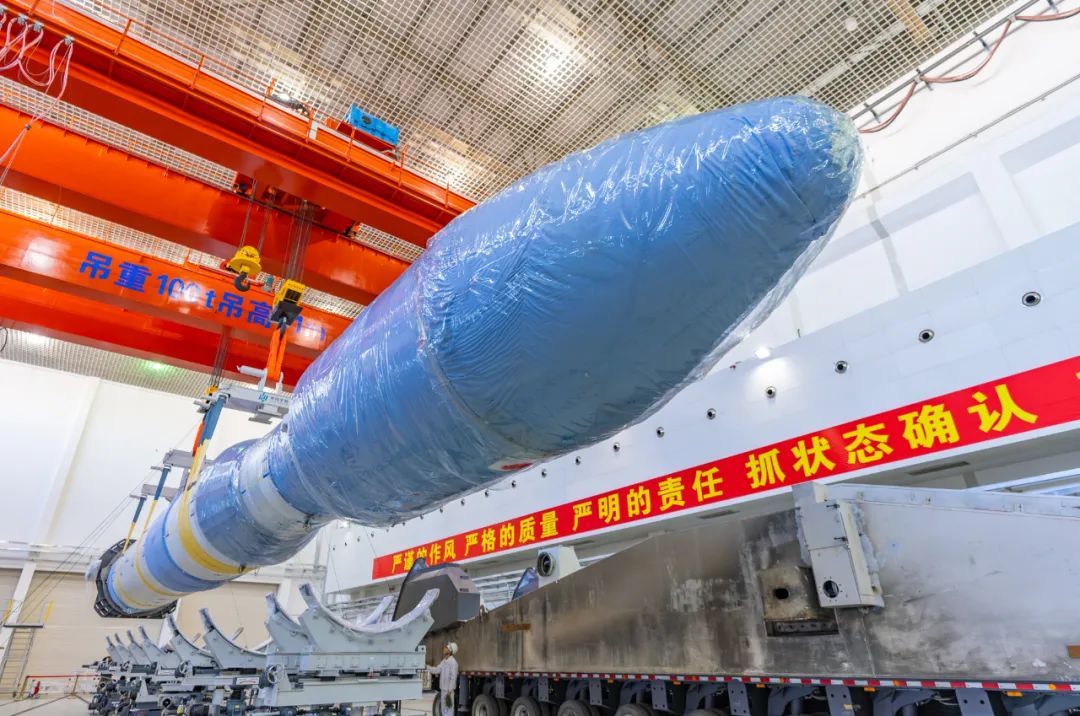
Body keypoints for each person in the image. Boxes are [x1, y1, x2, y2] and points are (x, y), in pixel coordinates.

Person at [429, 642, 459, 716]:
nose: (444, 648)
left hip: (449, 692)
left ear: (450, 651)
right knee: (444, 711)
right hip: (443, 690)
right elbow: (437, 670)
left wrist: (449, 691)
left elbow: (453, 678)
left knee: (449, 710)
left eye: (446, 648)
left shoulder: (453, 663)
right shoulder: (444, 661)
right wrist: (427, 667)